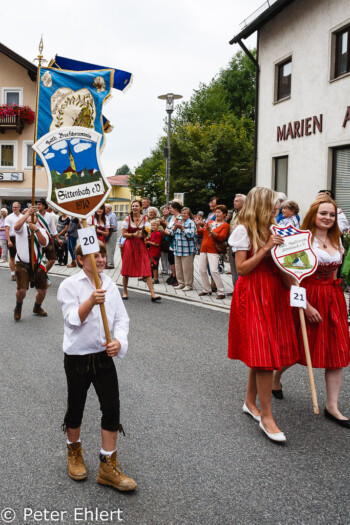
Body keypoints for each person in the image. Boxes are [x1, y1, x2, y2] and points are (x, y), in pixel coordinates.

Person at [57, 241, 137, 491]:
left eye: (102, 255)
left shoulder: (110, 284)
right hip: (78, 358)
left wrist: (118, 342)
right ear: (80, 259)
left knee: (112, 407)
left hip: (103, 356)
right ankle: (74, 453)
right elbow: (71, 321)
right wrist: (91, 301)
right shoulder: (69, 285)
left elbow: (122, 319)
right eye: (94, 256)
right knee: (76, 407)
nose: (100, 260)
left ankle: (107, 465)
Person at [228, 187, 299, 443]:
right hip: (253, 294)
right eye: (273, 205)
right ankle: (267, 417)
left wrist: (295, 283)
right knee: (264, 353)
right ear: (261, 205)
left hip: (274, 294)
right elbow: (243, 269)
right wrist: (266, 248)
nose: (277, 209)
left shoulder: (276, 229)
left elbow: (283, 265)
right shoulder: (243, 230)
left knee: (264, 351)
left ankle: (250, 402)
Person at [273, 196, 350, 428]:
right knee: (298, 347)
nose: (327, 218)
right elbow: (289, 277)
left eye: (332, 214)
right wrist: (305, 306)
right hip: (307, 295)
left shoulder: (338, 239)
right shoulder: (301, 240)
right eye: (323, 213)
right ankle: (276, 377)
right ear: (313, 215)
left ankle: (332, 406)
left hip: (333, 298)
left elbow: (336, 273)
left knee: (337, 350)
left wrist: (339, 301)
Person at [13, 206, 49, 321]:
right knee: (22, 290)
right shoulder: (21, 228)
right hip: (22, 263)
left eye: (34, 216)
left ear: (37, 220)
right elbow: (16, 226)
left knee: (42, 290)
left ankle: (37, 307)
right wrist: (27, 213)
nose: (32, 218)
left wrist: (37, 230)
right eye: (30, 216)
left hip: (37, 263)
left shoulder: (42, 230)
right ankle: (18, 307)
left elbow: (44, 244)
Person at [121, 199, 161, 302]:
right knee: (126, 268)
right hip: (129, 244)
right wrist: (133, 235)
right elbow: (123, 234)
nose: (134, 208)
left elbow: (147, 233)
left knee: (146, 267)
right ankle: (125, 291)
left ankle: (153, 294)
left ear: (140, 208)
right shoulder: (127, 219)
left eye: (136, 206)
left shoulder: (145, 219)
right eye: (133, 206)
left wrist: (143, 234)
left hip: (141, 245)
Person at [196, 205, 230, 299]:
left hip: (214, 249)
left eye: (219, 212)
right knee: (202, 270)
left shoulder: (225, 225)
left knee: (214, 270)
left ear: (224, 214)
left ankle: (221, 291)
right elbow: (200, 233)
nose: (217, 214)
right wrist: (198, 225)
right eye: (216, 212)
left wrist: (210, 231)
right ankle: (207, 289)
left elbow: (221, 237)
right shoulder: (210, 222)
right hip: (204, 248)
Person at [168, 207, 196, 291]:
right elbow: (171, 233)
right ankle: (181, 283)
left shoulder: (191, 223)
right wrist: (175, 228)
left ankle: (188, 284)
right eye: (182, 213)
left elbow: (191, 235)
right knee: (178, 268)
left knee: (187, 268)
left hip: (187, 249)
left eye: (185, 213)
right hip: (177, 249)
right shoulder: (178, 222)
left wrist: (182, 228)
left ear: (189, 215)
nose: (183, 214)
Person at [36, 198, 60, 276]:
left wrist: (58, 239)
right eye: (37, 204)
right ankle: (37, 275)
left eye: (39, 204)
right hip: (38, 239)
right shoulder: (34, 215)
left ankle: (43, 274)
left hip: (48, 239)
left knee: (52, 259)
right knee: (37, 259)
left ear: (44, 206)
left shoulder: (50, 216)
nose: (38, 206)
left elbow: (53, 229)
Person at [228, 194, 246, 293]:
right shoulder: (234, 212)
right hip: (232, 242)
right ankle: (236, 288)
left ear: (244, 203)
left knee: (239, 267)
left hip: (240, 243)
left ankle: (241, 289)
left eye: (237, 201)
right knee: (233, 267)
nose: (235, 202)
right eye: (234, 201)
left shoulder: (246, 213)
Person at [164, 201, 182, 286]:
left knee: (176, 259)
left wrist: (169, 231)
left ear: (175, 208)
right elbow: (168, 226)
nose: (169, 209)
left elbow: (176, 229)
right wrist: (167, 230)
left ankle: (178, 277)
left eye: (170, 208)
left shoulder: (180, 217)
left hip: (176, 240)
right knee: (171, 258)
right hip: (170, 240)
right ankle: (174, 275)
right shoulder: (171, 217)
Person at [4, 201, 23, 281]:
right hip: (12, 238)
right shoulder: (9, 217)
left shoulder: (22, 216)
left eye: (16, 207)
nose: (14, 208)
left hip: (21, 238)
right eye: (13, 207)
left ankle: (20, 272)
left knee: (21, 257)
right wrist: (9, 241)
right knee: (12, 257)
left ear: (19, 208)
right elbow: (6, 230)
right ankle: (13, 273)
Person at [146, 219, 162, 283]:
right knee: (151, 265)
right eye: (152, 225)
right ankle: (152, 277)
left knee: (155, 265)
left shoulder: (158, 234)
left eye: (154, 225)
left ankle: (156, 279)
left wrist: (148, 242)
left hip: (155, 252)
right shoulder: (152, 233)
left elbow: (157, 244)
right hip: (151, 252)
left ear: (158, 226)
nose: (153, 227)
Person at [105, 203, 118, 269]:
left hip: (112, 233)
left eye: (104, 208)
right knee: (107, 248)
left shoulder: (112, 215)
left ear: (108, 209)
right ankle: (107, 263)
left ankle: (110, 264)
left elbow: (113, 226)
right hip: (108, 232)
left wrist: (105, 227)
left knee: (110, 249)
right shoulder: (106, 215)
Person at [159, 205, 171, 275]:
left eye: (166, 209)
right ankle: (164, 269)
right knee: (163, 255)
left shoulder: (171, 218)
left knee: (168, 254)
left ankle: (169, 269)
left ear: (169, 211)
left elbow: (169, 226)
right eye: (163, 210)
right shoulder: (161, 218)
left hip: (168, 238)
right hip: (162, 239)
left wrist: (162, 223)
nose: (164, 211)